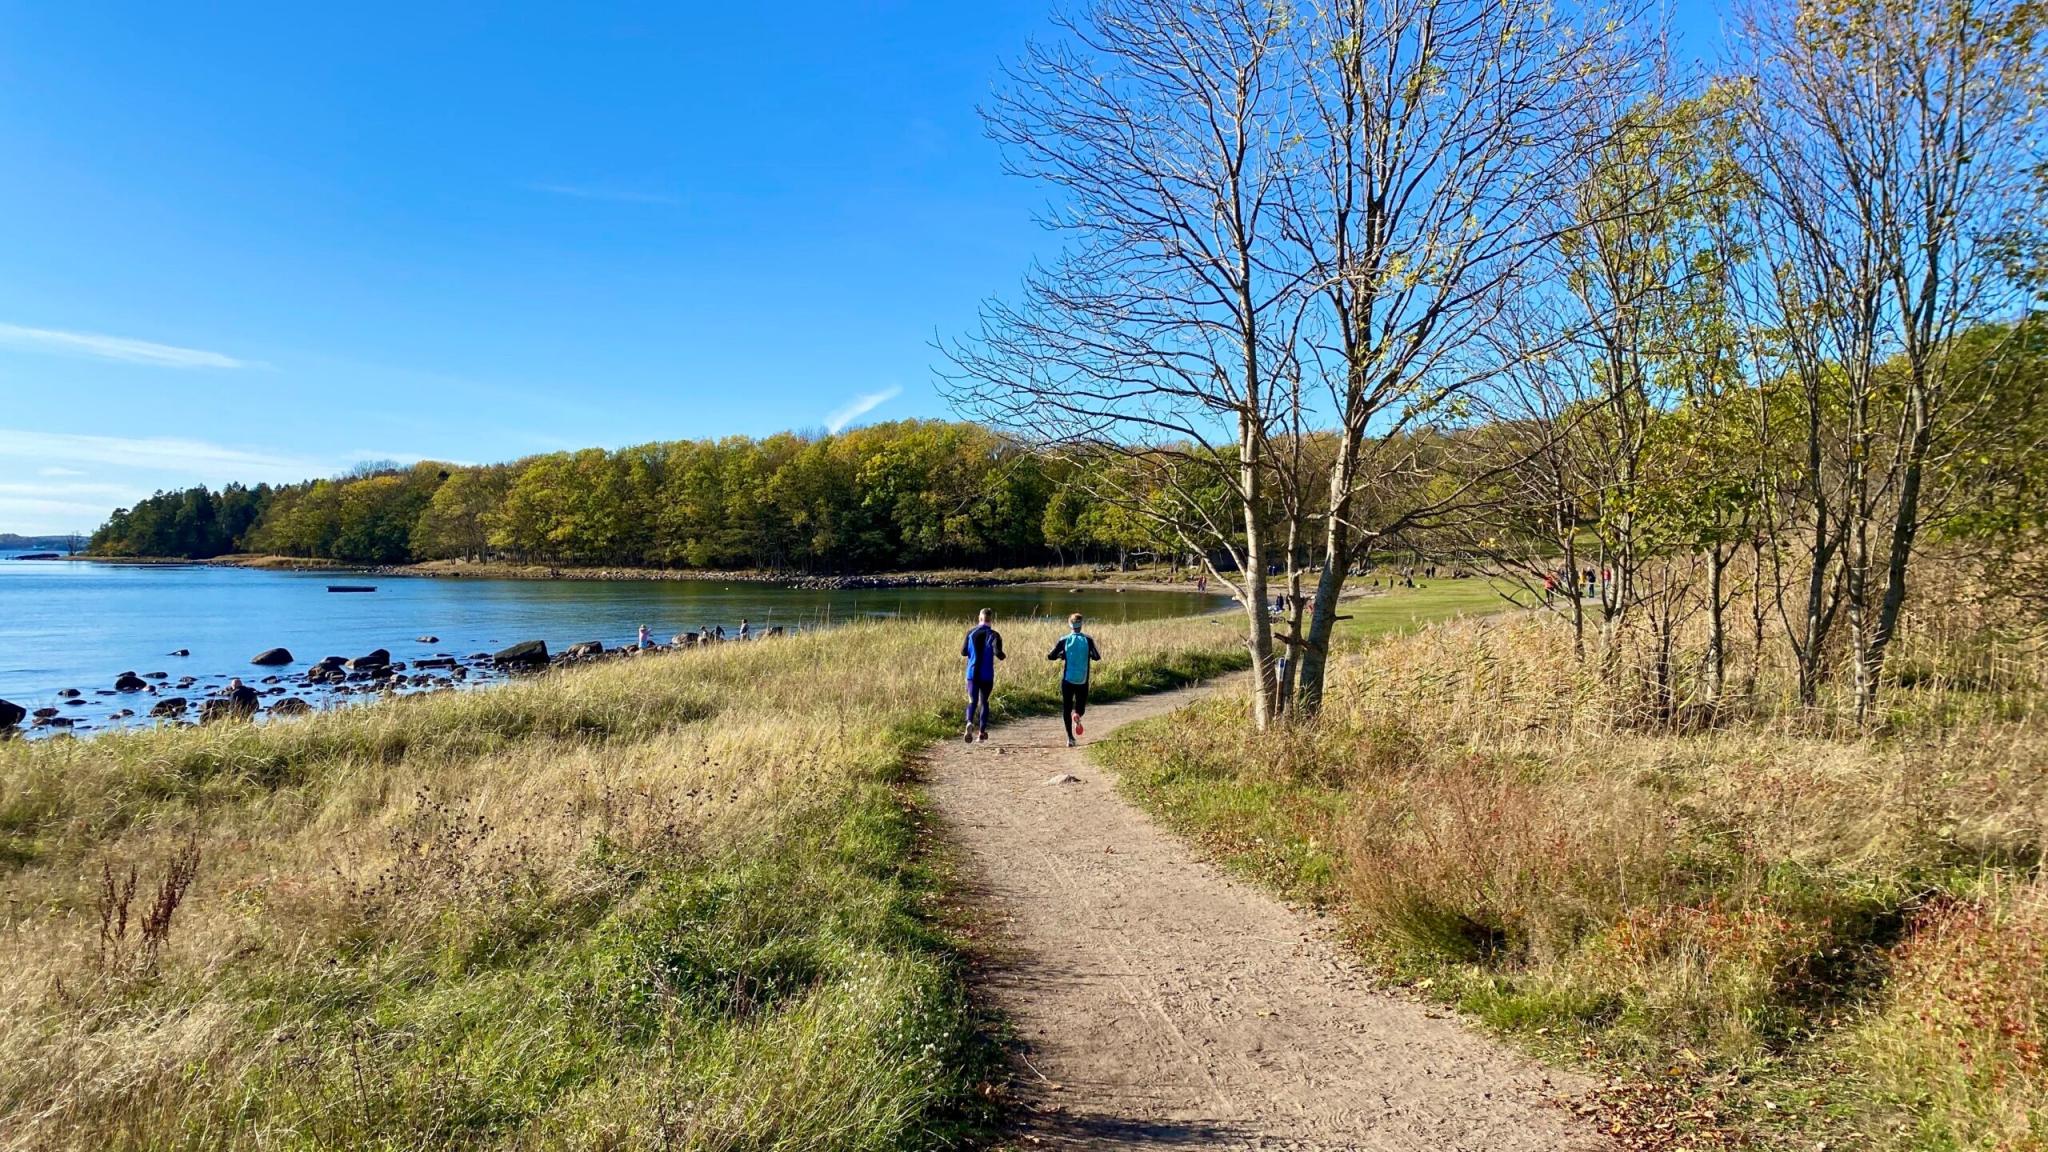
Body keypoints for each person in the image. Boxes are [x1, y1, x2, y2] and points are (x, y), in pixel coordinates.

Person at [1048, 613, 1102, 747]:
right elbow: (1096, 657)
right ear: (1081, 624)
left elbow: (1051, 656)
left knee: (1066, 708)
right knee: (1080, 708)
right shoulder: (1088, 640)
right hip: (1082, 680)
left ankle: (1070, 738)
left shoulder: (1064, 640)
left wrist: (1062, 655)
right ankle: (1077, 714)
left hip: (1067, 680)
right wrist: (1087, 654)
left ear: (1069, 624)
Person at [961, 608, 1005, 743]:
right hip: (987, 675)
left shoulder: (971, 633)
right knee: (984, 702)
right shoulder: (994, 635)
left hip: (972, 673)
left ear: (979, 618)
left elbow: (963, 652)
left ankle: (969, 722)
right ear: (991, 619)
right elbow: (998, 653)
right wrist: (1002, 655)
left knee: (972, 701)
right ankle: (981, 732)